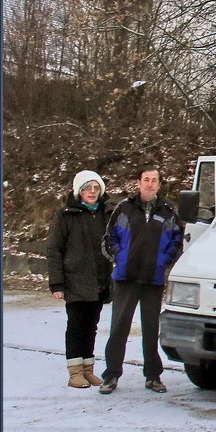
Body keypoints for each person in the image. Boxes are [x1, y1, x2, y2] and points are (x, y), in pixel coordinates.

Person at [99, 165, 183, 394]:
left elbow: (177, 241)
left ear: (159, 184)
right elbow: (109, 238)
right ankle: (111, 375)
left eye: (154, 180)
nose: (150, 183)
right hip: (126, 278)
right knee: (119, 328)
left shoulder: (167, 210)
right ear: (138, 182)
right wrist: (120, 257)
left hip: (153, 279)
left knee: (150, 329)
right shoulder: (124, 208)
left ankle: (153, 376)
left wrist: (163, 262)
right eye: (146, 179)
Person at [46, 170, 113, 388]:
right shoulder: (65, 215)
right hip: (75, 281)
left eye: (95, 188)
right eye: (87, 188)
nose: (91, 192)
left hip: (99, 281)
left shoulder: (106, 213)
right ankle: (75, 372)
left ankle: (88, 369)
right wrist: (57, 283)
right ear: (79, 191)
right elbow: (54, 249)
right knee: (76, 326)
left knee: (91, 326)